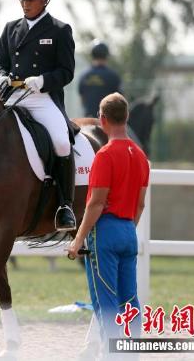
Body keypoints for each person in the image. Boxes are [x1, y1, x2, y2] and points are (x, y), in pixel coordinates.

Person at [67, 92, 149, 358]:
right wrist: (127, 229)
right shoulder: (140, 156)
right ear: (126, 117)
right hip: (128, 230)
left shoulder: (103, 155)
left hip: (106, 232)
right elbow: (140, 205)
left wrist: (78, 239)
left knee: (106, 303)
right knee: (130, 300)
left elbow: (96, 203)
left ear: (102, 120)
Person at [0, 0, 77, 230]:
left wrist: (42, 81)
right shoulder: (10, 29)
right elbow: (0, 64)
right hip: (13, 96)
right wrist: (1, 78)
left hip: (42, 98)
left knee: (62, 142)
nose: (25, 3)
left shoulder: (60, 30)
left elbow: (66, 72)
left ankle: (65, 205)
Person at [78, 40, 122, 118]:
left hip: (87, 121)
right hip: (107, 122)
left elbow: (82, 100)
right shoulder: (113, 76)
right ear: (106, 55)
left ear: (92, 55)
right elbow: (119, 102)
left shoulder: (84, 76)